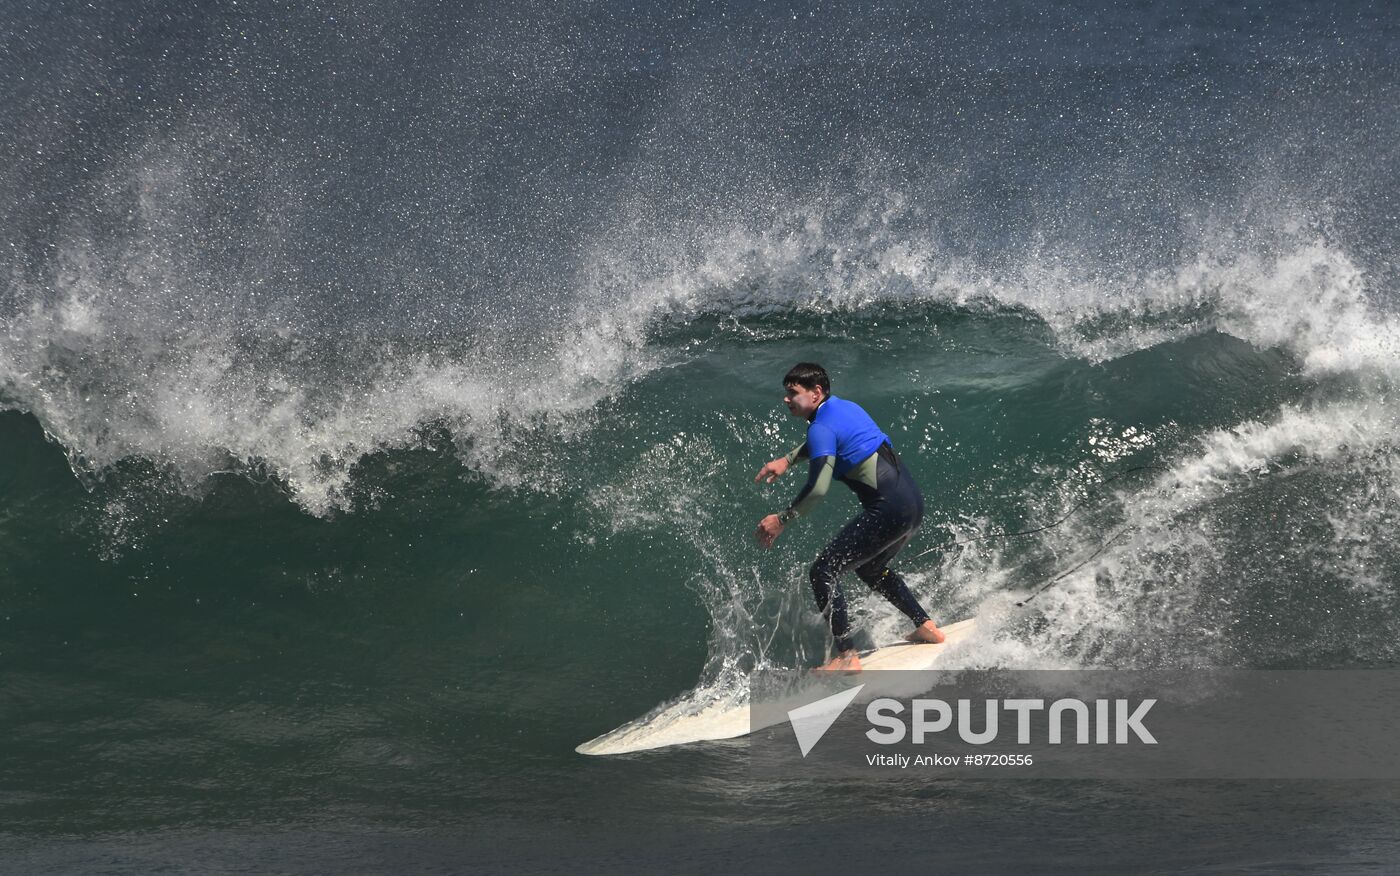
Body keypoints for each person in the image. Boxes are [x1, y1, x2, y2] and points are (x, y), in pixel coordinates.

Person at [754, 362, 944, 671]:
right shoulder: (844, 408)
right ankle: (925, 625)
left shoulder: (820, 427)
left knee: (823, 572)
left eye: (793, 393)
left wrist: (782, 519)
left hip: (888, 510)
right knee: (870, 567)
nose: (786, 400)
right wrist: (788, 460)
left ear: (816, 393)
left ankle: (846, 656)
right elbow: (827, 441)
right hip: (912, 505)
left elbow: (817, 489)